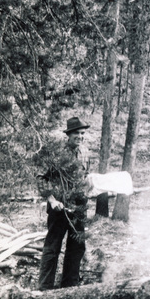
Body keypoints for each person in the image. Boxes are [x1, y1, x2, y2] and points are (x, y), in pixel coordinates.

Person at [37, 117, 92, 290]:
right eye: (77, 133)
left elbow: (85, 177)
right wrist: (52, 200)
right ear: (68, 135)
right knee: (53, 247)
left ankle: (69, 286)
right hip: (59, 206)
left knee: (77, 246)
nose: (80, 137)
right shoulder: (56, 154)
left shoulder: (85, 152)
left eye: (83, 133)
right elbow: (41, 179)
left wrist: (88, 190)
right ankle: (45, 288)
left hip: (78, 206)